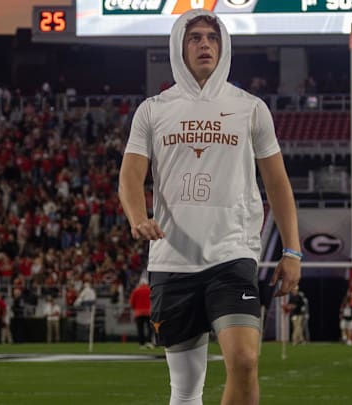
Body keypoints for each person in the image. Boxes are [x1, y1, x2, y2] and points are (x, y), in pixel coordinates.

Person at [118, 9, 301, 404]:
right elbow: (130, 177)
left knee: (245, 359)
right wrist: (137, 217)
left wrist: (292, 250)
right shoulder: (153, 109)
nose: (205, 44)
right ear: (178, 47)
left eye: (212, 38)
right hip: (172, 260)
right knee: (185, 389)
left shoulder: (250, 108)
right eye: (195, 37)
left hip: (232, 255)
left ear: (223, 46)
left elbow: (277, 182)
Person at [129, 278, 154, 349]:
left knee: (140, 329)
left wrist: (135, 309)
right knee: (149, 329)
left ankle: (141, 344)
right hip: (148, 312)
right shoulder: (150, 290)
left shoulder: (136, 291)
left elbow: (131, 302)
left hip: (138, 313)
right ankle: (149, 342)